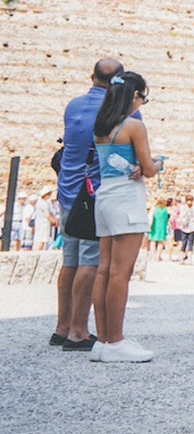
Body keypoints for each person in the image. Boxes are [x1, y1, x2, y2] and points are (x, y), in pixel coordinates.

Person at [51, 58, 129, 352]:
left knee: (69, 261)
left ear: (91, 76)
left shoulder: (73, 106)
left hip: (68, 191)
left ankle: (61, 327)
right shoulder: (116, 111)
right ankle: (79, 332)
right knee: (89, 262)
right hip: (93, 195)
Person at [92, 71, 163, 363]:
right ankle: (116, 341)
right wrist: (159, 162)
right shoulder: (133, 126)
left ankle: (103, 339)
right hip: (127, 200)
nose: (142, 103)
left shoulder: (101, 125)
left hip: (105, 196)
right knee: (122, 273)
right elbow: (148, 168)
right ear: (133, 96)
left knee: (104, 270)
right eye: (142, 97)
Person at [33, 187, 57, 251]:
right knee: (41, 240)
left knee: (42, 240)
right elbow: (47, 215)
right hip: (43, 223)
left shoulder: (44, 202)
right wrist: (54, 221)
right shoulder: (43, 203)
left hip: (42, 222)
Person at [178, 194, 194, 264]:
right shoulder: (183, 207)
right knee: (183, 243)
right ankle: (181, 258)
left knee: (191, 243)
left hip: (192, 227)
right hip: (184, 227)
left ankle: (189, 258)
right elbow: (181, 216)